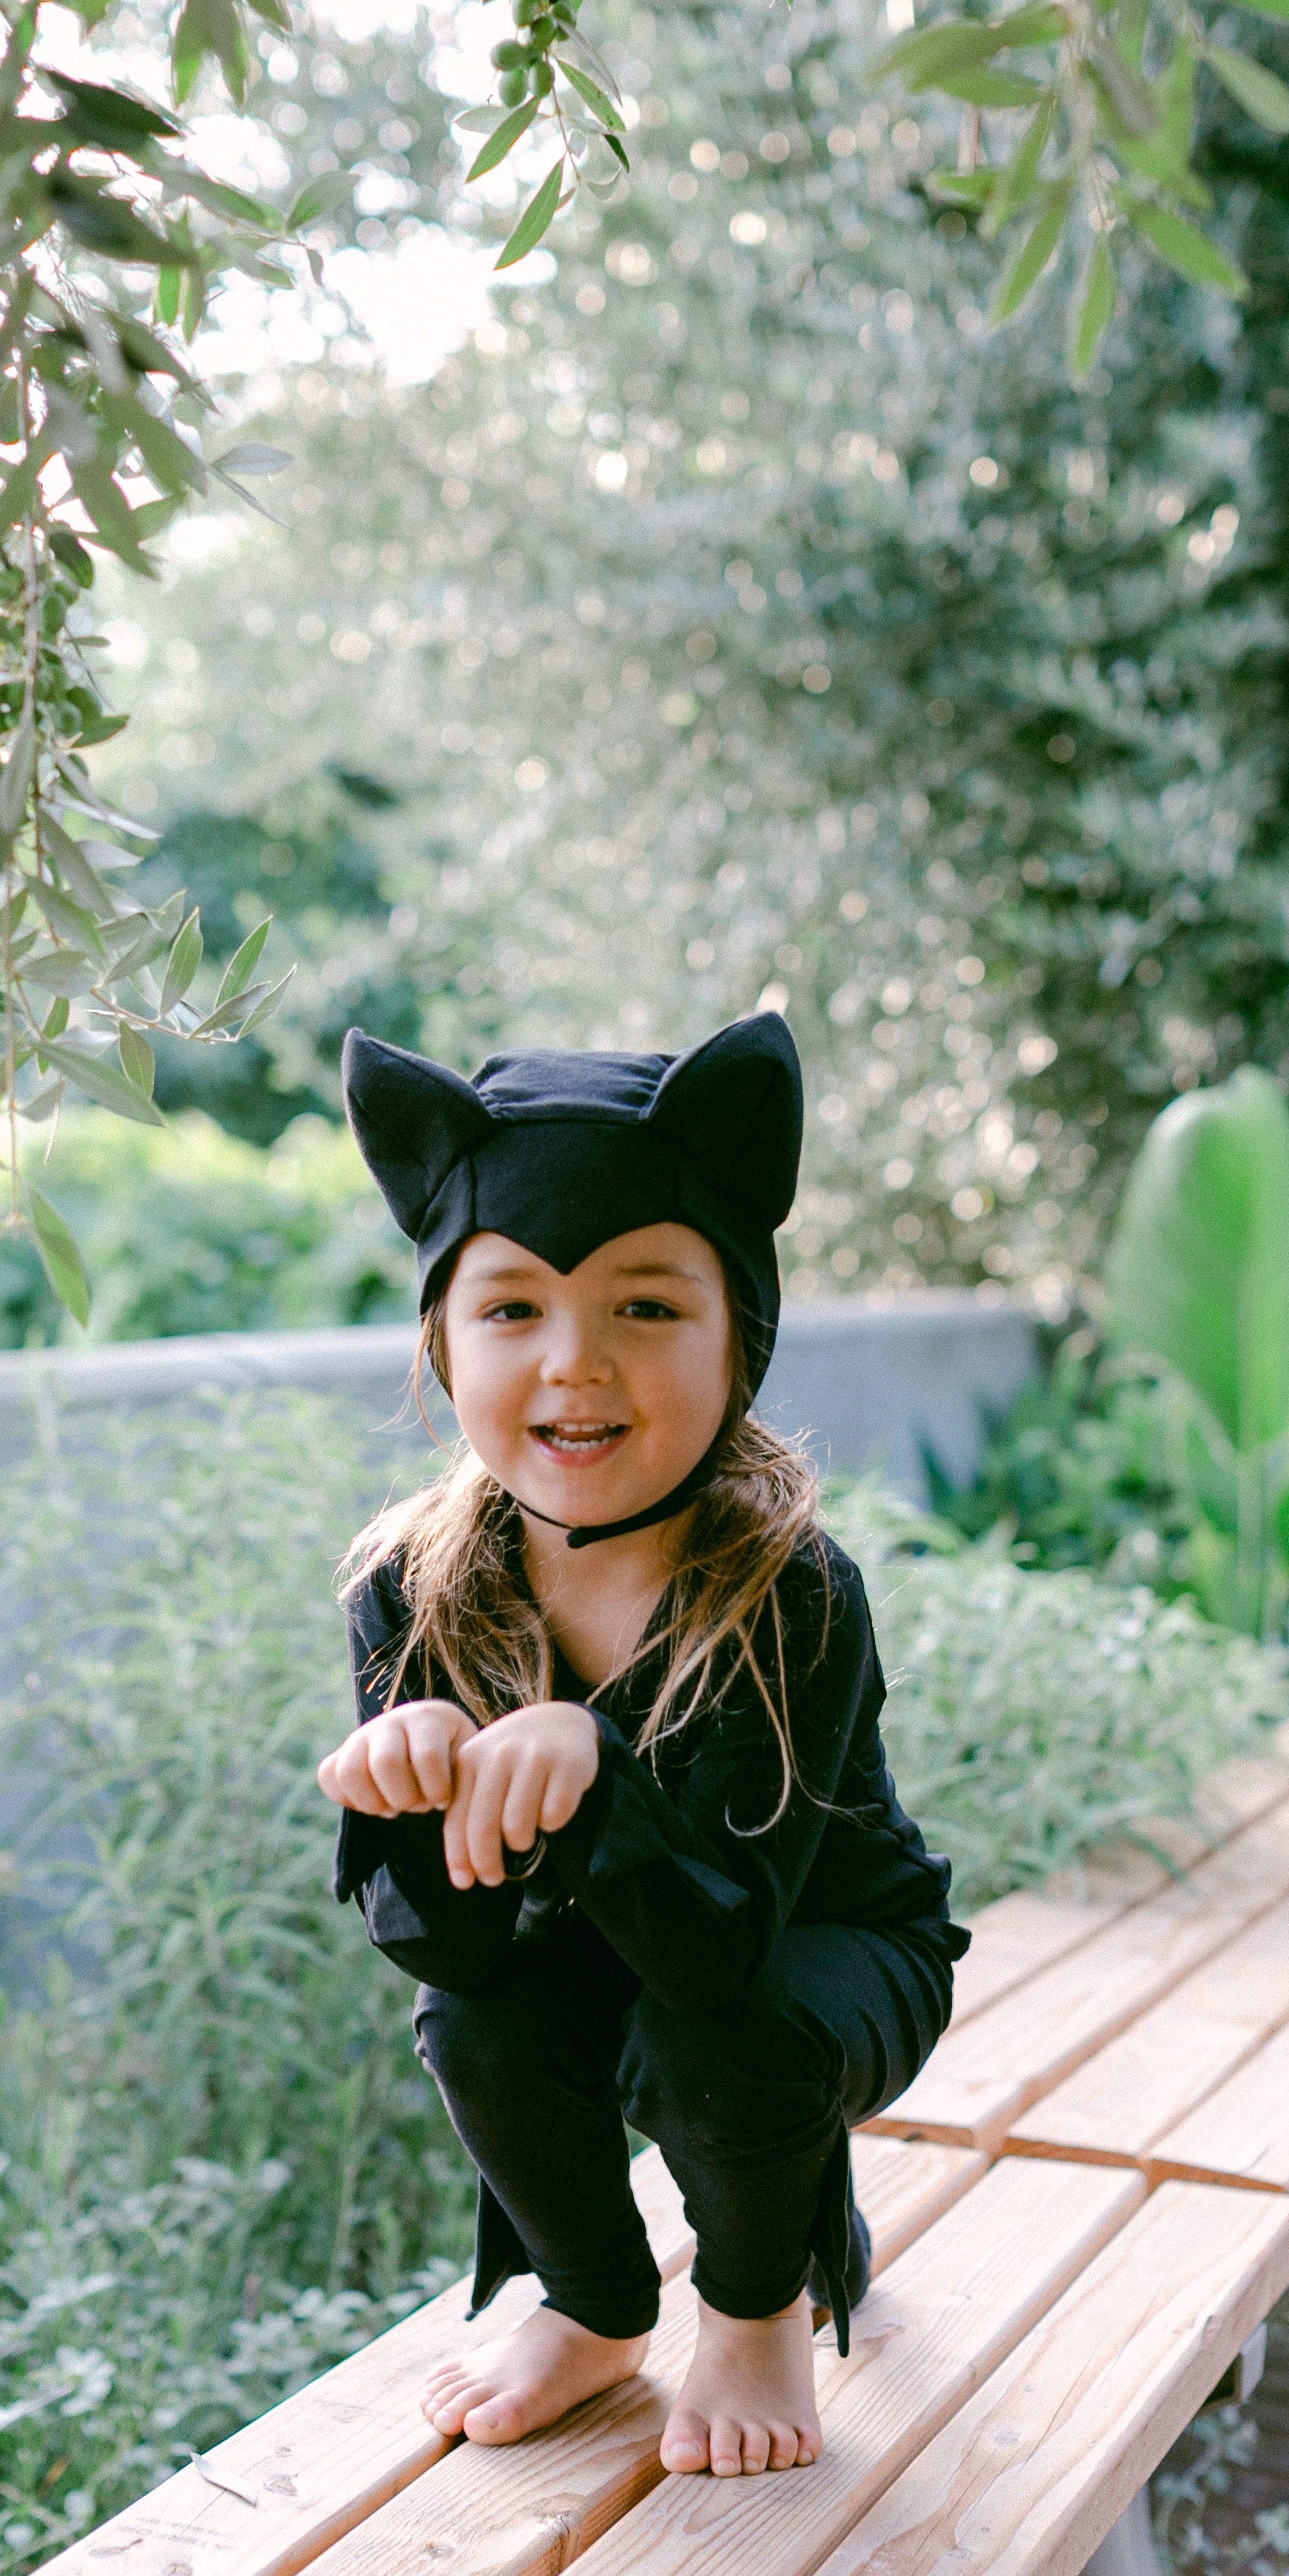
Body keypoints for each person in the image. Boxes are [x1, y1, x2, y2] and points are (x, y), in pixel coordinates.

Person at [317, 1013, 967, 2480]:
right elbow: (454, 1958)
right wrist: (411, 1794)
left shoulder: (788, 1587)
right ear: (440, 1339)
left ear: (742, 1330)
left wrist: (595, 1765)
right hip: (602, 1952)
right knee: (481, 2027)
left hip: (820, 1949)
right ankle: (600, 2304)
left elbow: (728, 1951)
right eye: (511, 1312)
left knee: (715, 2043)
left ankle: (751, 2310)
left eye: (647, 1309)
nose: (575, 1367)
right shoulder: (408, 1589)